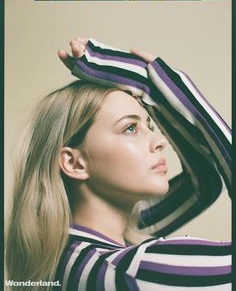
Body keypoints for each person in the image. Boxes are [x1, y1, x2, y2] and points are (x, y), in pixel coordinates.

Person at [5, 37, 231, 291]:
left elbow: (203, 186)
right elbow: (204, 184)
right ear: (74, 163)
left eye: (151, 125)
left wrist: (148, 90)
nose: (159, 141)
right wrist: (165, 84)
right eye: (131, 127)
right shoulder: (130, 269)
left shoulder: (69, 257)